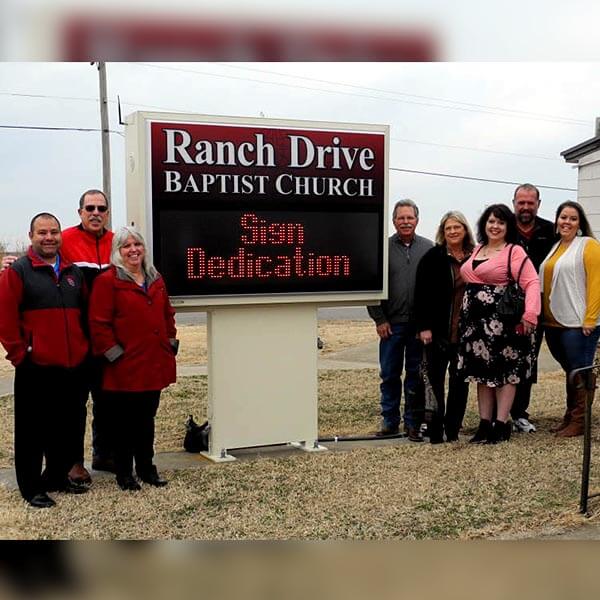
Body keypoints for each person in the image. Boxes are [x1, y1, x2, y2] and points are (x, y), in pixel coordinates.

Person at [0, 189, 114, 484]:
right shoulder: (40, 257)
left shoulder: (105, 250)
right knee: (53, 417)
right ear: (79, 212)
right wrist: (20, 355)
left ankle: (88, 461)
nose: (96, 212)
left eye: (101, 208)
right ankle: (59, 470)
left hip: (93, 346)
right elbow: (10, 310)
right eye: (90, 207)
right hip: (51, 354)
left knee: (93, 408)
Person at [0, 213, 89, 507]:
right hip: (35, 366)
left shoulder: (73, 272)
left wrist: (82, 349)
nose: (48, 237)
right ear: (31, 236)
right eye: (42, 233)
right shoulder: (18, 272)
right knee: (32, 432)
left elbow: (83, 316)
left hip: (71, 366)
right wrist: (20, 354)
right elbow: (5, 318)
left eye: (53, 232)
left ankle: (57, 478)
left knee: (62, 428)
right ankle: (31, 487)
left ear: (61, 235)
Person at [88, 227, 178, 490]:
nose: (133, 250)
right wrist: (114, 355)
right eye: (126, 245)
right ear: (117, 251)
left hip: (153, 363)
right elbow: (98, 324)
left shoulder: (155, 278)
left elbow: (167, 313)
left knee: (146, 420)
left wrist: (170, 342)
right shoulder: (107, 281)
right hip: (124, 367)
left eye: (137, 244)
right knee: (124, 424)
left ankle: (147, 468)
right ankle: (124, 473)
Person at [457, 204, 541, 444]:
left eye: (501, 222)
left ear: (508, 227)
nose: (495, 226)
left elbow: (532, 283)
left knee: (506, 374)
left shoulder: (514, 251)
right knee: (482, 374)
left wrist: (531, 314)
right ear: (485, 224)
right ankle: (485, 424)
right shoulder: (478, 249)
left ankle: (501, 424)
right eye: (491, 221)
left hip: (503, 324)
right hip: (475, 325)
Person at [367, 199, 433, 441]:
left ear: (417, 220)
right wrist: (379, 319)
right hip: (391, 326)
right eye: (401, 218)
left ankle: (413, 423)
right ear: (393, 220)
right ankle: (389, 421)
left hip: (418, 327)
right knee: (390, 374)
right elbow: (371, 287)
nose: (405, 222)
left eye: (410, 218)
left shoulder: (429, 248)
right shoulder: (381, 249)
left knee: (415, 375)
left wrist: (427, 324)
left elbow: (435, 290)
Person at [539, 201, 600, 437]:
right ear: (556, 221)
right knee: (570, 370)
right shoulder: (556, 247)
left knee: (580, 370)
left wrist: (590, 318)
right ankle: (570, 415)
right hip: (553, 322)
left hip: (577, 322)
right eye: (563, 217)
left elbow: (596, 283)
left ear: (580, 223)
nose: (567, 222)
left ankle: (579, 420)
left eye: (573, 218)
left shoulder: (588, 246)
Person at [414, 211, 475, 443]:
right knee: (434, 383)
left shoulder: (476, 256)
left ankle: (453, 430)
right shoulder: (432, 257)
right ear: (443, 231)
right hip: (437, 333)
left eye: (457, 227)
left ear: (465, 229)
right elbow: (421, 295)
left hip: (465, 334)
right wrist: (424, 327)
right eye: (448, 228)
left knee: (460, 384)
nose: (453, 232)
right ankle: (435, 429)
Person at [511, 183, 557, 433]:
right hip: (505, 307)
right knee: (505, 359)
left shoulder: (551, 231)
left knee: (528, 360)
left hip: (536, 307)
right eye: (521, 202)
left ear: (538, 204)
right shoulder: (504, 227)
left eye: (530, 202)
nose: (525, 207)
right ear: (514, 203)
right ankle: (501, 412)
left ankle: (520, 412)